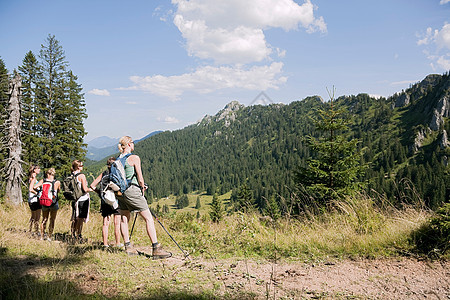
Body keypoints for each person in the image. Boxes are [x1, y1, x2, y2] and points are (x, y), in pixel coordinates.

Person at [116, 136, 171, 259]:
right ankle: (156, 248)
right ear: (129, 144)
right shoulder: (134, 158)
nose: (134, 144)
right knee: (148, 218)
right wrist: (142, 187)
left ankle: (127, 246)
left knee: (124, 218)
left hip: (120, 193)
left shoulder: (117, 159)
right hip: (132, 190)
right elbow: (140, 178)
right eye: (132, 142)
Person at [90, 157, 122, 248]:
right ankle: (118, 243)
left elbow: (92, 186)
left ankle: (105, 244)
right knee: (117, 223)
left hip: (105, 200)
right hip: (116, 200)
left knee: (105, 223)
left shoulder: (103, 174)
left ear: (107, 165)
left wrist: (100, 193)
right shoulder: (117, 174)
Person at [70, 160, 91, 242]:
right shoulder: (82, 176)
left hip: (75, 199)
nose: (82, 166)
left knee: (75, 218)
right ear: (78, 167)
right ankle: (79, 235)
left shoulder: (72, 175)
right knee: (80, 219)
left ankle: (72, 234)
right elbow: (85, 189)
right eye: (81, 165)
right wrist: (91, 189)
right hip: (82, 199)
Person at [38, 168, 60, 241]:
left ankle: (41, 236)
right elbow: (58, 191)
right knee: (52, 219)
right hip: (53, 202)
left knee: (44, 219)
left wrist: (39, 193)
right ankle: (49, 237)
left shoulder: (43, 181)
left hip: (44, 202)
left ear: (47, 173)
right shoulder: (57, 182)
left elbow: (35, 187)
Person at [27, 165, 42, 237]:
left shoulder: (31, 177)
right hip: (35, 199)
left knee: (33, 217)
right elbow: (30, 189)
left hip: (31, 200)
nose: (39, 170)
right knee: (37, 217)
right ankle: (36, 231)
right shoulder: (33, 178)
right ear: (34, 170)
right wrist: (37, 193)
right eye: (38, 168)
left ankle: (30, 230)